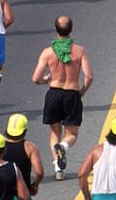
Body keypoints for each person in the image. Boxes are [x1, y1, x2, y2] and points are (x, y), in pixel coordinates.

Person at [32, 15, 92, 180]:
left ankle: (59, 169)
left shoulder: (48, 52)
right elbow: (89, 77)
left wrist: (45, 80)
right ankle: (63, 147)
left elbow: (35, 78)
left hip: (54, 93)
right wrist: (82, 92)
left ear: (55, 30)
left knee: (54, 132)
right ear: (71, 30)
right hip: (72, 93)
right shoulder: (79, 51)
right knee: (72, 133)